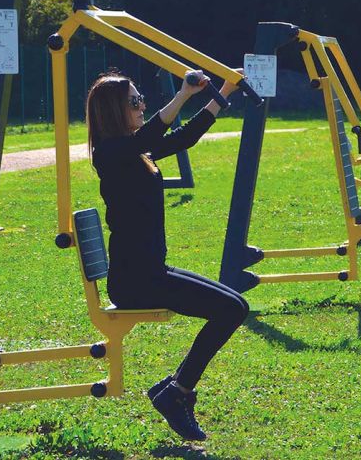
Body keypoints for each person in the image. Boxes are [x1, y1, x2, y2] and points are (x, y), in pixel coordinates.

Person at [86, 69, 249, 441]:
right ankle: (177, 393)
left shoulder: (135, 148)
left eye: (140, 97)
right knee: (232, 310)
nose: (141, 104)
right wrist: (183, 94)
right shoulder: (111, 153)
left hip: (151, 272)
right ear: (114, 110)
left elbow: (185, 137)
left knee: (235, 304)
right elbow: (152, 133)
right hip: (136, 282)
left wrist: (223, 90)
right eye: (134, 101)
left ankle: (176, 390)